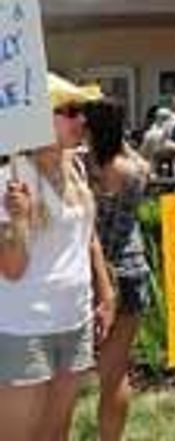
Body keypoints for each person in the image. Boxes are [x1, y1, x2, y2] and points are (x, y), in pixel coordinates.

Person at [0, 73, 116, 441]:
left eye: (81, 111)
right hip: (25, 327)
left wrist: (106, 291)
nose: (81, 120)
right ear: (35, 118)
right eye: (68, 111)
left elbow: (88, 239)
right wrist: (17, 220)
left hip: (75, 319)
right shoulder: (9, 181)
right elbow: (12, 269)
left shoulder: (76, 169)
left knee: (57, 433)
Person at [82, 96, 152, 441]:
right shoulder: (135, 170)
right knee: (116, 373)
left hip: (92, 273)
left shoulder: (83, 168)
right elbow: (144, 164)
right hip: (132, 267)